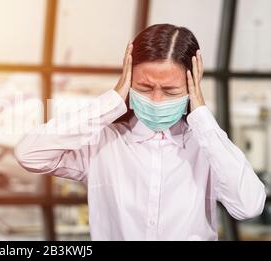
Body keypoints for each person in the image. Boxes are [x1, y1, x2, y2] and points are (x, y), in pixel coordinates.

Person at [14, 24, 266, 240]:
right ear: (128, 81)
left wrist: (200, 114)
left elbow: (249, 205)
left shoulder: (207, 148)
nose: (156, 99)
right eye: (144, 87)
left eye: (170, 91)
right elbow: (29, 154)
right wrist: (112, 100)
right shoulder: (104, 143)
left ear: (191, 88)